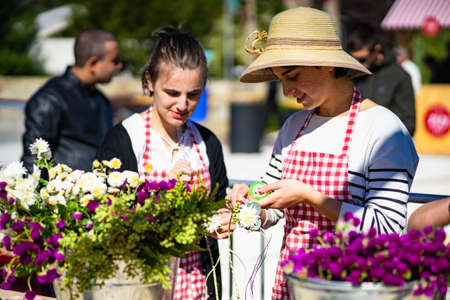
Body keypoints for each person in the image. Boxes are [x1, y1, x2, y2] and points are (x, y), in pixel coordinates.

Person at [228, 7, 419, 300]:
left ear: (326, 65)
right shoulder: (293, 127)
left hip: (352, 288)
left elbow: (387, 230)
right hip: (293, 285)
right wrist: (248, 209)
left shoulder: (383, 130)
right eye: (281, 79)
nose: (286, 90)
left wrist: (310, 196)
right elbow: (273, 207)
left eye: (292, 76)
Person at [96, 27, 230, 300]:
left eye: (193, 94)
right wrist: (164, 194)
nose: (183, 104)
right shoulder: (123, 140)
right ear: (150, 81)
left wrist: (226, 216)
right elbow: (106, 219)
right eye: (172, 92)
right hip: (139, 284)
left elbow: (217, 205)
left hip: (198, 286)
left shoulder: (207, 143)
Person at [21, 29, 122, 172]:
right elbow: (33, 161)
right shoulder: (50, 99)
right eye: (114, 61)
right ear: (93, 63)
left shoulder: (101, 99)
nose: (119, 66)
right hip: (65, 192)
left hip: (100, 191)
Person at [346, 24, 416, 136]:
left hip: (385, 145)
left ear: (377, 49)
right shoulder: (351, 74)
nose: (357, 64)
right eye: (353, 59)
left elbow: (409, 124)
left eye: (362, 59)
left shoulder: (400, 76)